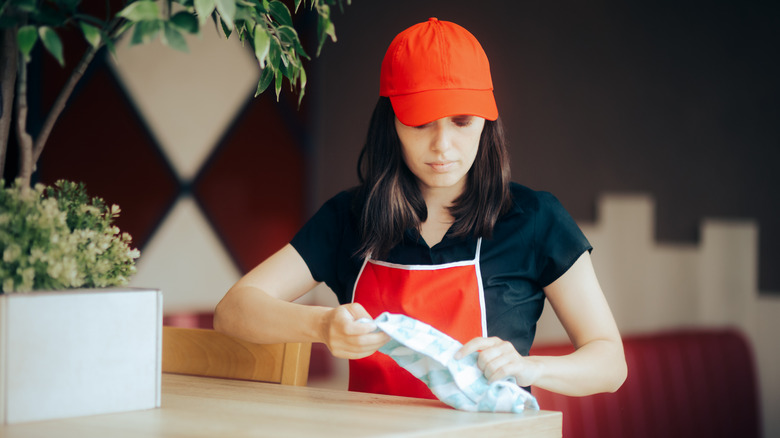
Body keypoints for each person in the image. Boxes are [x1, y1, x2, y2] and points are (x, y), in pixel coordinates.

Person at [214, 17, 626, 399]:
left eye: (461, 122)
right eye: (420, 122)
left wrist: (528, 369)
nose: (442, 146)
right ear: (391, 121)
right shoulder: (348, 218)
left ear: (487, 121)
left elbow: (610, 362)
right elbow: (233, 311)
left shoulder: (536, 219)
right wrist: (321, 326)